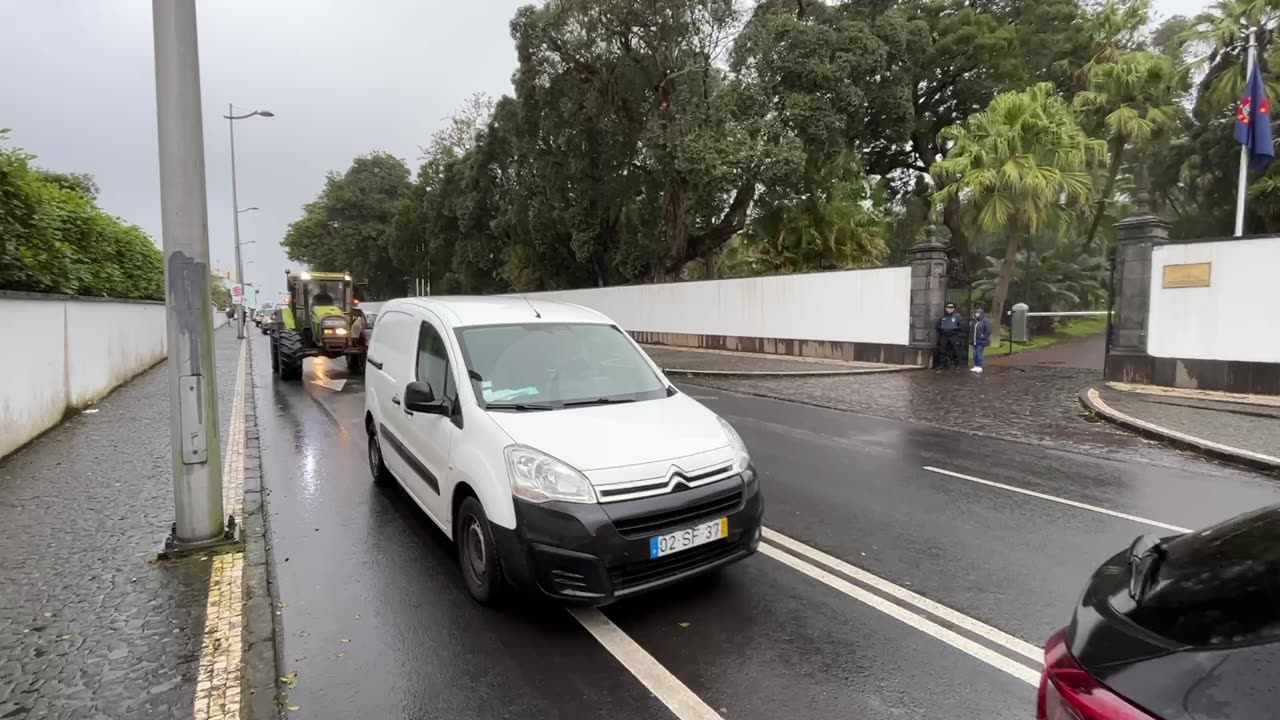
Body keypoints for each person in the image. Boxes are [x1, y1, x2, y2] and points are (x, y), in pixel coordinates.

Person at [936, 302, 966, 369]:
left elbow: (961, 326)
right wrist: (943, 329)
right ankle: (942, 364)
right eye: (949, 308)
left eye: (952, 308)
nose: (950, 309)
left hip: (953, 335)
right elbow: (937, 326)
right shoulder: (942, 317)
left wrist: (953, 329)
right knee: (942, 350)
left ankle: (957, 364)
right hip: (944, 335)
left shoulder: (957, 317)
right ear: (946, 309)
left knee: (956, 350)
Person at [970, 308, 992, 373]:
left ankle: (979, 366)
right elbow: (972, 331)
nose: (976, 314)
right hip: (974, 341)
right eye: (976, 313)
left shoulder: (985, 321)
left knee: (978, 353)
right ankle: (976, 366)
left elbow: (988, 331)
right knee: (974, 354)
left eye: (978, 313)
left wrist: (983, 336)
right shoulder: (975, 321)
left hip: (981, 341)